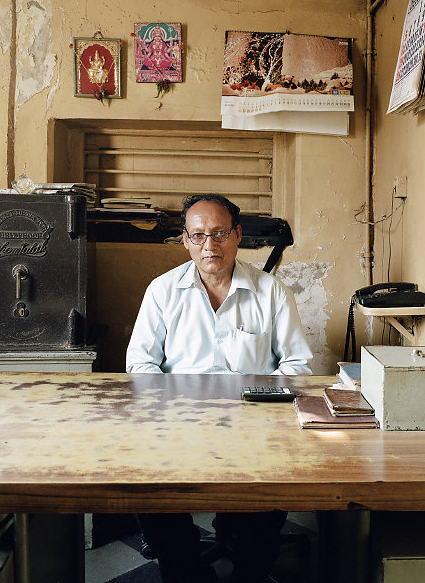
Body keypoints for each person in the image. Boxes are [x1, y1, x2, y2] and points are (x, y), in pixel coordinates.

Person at [126, 193, 313, 583]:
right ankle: (186, 567)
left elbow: (296, 366)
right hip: (177, 422)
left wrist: (266, 405)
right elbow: (140, 364)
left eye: (219, 233)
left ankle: (250, 565)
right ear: (185, 240)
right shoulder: (162, 291)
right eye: (198, 236)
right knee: (147, 492)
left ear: (237, 235)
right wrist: (169, 406)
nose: (209, 245)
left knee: (266, 513)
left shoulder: (271, 292)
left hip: (255, 426)